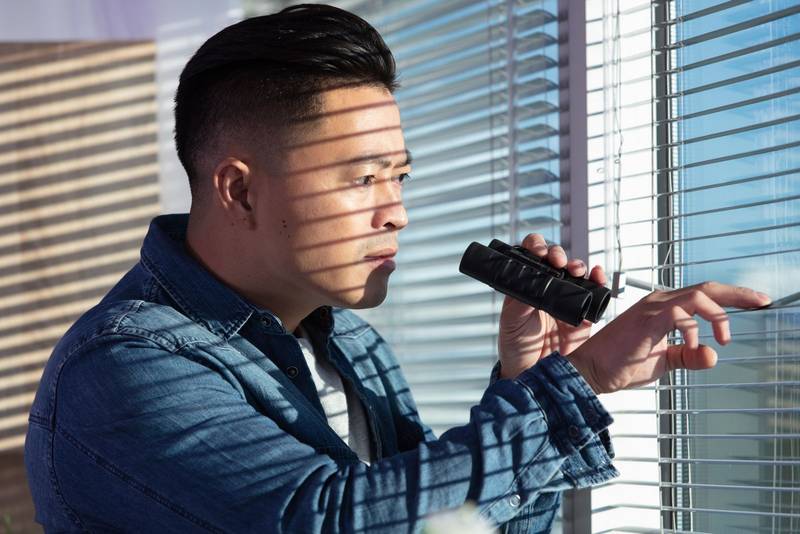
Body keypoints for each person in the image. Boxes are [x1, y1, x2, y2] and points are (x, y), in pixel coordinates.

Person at [23, 4, 772, 533]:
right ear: (240, 191)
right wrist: (575, 387)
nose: (397, 212)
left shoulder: (351, 345)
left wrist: (528, 380)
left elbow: (449, 527)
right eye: (361, 178)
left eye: (399, 177)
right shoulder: (124, 364)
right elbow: (322, 521)